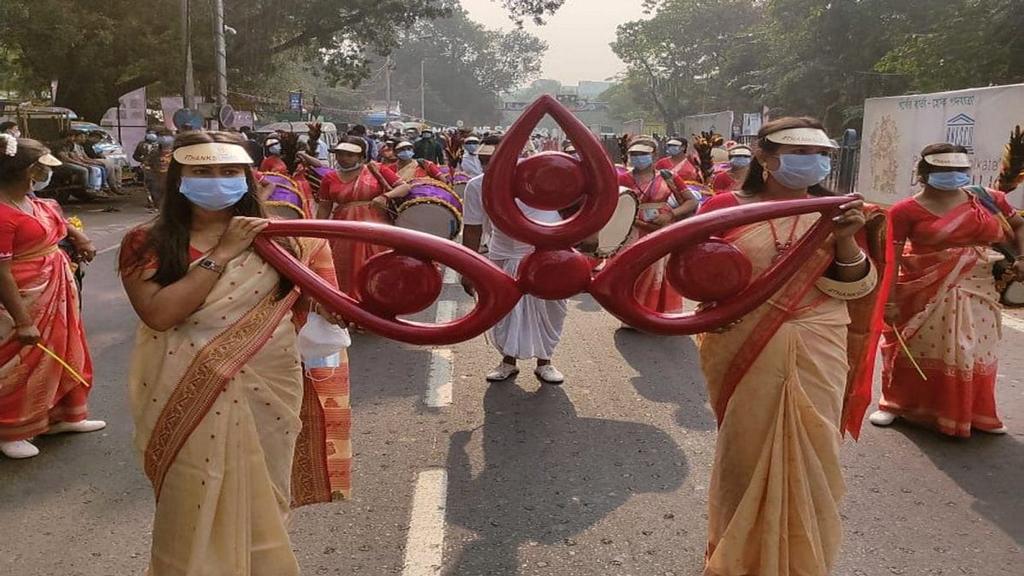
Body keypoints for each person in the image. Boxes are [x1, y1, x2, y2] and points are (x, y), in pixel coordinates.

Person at [118, 131, 350, 575]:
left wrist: (329, 308)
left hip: (271, 382)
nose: (217, 181)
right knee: (192, 497)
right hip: (183, 388)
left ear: (247, 176)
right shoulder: (146, 241)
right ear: (179, 178)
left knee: (265, 494)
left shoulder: (280, 236)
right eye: (202, 172)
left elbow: (298, 304)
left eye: (229, 171)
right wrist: (223, 253)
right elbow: (161, 315)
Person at [696, 117, 883, 576]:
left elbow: (855, 289)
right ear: (764, 156)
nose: (811, 162)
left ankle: (801, 562)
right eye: (797, 153)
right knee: (744, 452)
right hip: (744, 343)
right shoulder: (724, 207)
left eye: (819, 154)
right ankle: (737, 559)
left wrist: (844, 240)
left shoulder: (838, 212)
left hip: (820, 339)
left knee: (813, 450)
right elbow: (694, 272)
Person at [869, 144, 1024, 436]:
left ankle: (975, 411)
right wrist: (887, 301)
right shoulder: (905, 211)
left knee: (976, 349)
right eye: (943, 170)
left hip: (981, 288)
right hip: (922, 289)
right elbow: (891, 257)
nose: (951, 175)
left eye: (958, 170)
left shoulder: (990, 199)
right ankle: (896, 404)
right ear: (924, 173)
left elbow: (1018, 225)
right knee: (914, 346)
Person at [0, 135, 104, 459]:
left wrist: (80, 237)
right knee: (22, 359)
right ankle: (11, 427)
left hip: (55, 290)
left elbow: (57, 221)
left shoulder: (35, 202)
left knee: (64, 346)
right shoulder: (3, 215)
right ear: (29, 170)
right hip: (24, 296)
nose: (46, 174)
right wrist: (23, 319)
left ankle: (64, 414)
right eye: (42, 168)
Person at [460, 135, 567, 385]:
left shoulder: (539, 178)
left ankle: (545, 362)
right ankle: (508, 362)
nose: (487, 167)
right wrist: (468, 269)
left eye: (493, 161)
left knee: (550, 309)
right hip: (502, 254)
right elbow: (472, 228)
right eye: (483, 161)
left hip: (546, 256)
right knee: (503, 309)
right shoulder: (477, 186)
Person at [315, 136, 412, 294]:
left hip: (376, 229)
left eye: (350, 155)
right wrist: (317, 234)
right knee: (342, 266)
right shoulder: (329, 178)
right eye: (340, 154)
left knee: (377, 266)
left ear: (361, 157)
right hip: (343, 230)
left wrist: (385, 196)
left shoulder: (377, 169)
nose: (344, 158)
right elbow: (324, 207)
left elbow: (404, 187)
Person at [617, 136, 699, 317]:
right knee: (633, 272)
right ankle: (632, 315)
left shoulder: (668, 177)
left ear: (654, 156)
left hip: (663, 229)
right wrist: (638, 222)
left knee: (662, 273)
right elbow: (616, 207)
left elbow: (691, 202)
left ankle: (659, 313)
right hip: (632, 230)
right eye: (634, 154)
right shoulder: (623, 179)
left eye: (643, 154)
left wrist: (670, 215)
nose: (638, 157)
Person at [85, 131, 126, 195]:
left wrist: (100, 155)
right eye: (98, 139)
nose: (98, 141)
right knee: (108, 165)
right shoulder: (86, 144)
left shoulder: (93, 146)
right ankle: (109, 186)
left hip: (95, 159)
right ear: (93, 137)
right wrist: (98, 156)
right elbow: (90, 155)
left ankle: (118, 185)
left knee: (117, 167)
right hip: (92, 159)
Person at [145, 133, 175, 209]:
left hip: (170, 177)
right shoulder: (154, 153)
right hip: (157, 177)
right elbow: (148, 163)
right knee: (156, 193)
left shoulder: (176, 154)